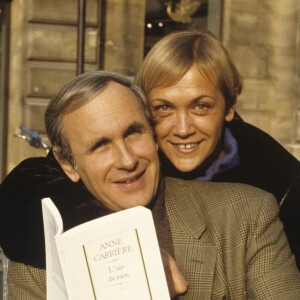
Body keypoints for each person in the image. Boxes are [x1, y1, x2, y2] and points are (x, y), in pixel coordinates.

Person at [1, 71, 300, 299]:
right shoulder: (37, 254)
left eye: (134, 133)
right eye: (100, 146)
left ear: (154, 136)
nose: (127, 160)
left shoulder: (247, 215)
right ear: (67, 163)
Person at [135, 30, 300, 267]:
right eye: (164, 108)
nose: (182, 129)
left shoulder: (283, 184)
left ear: (230, 105)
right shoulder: (130, 168)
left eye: (200, 106)